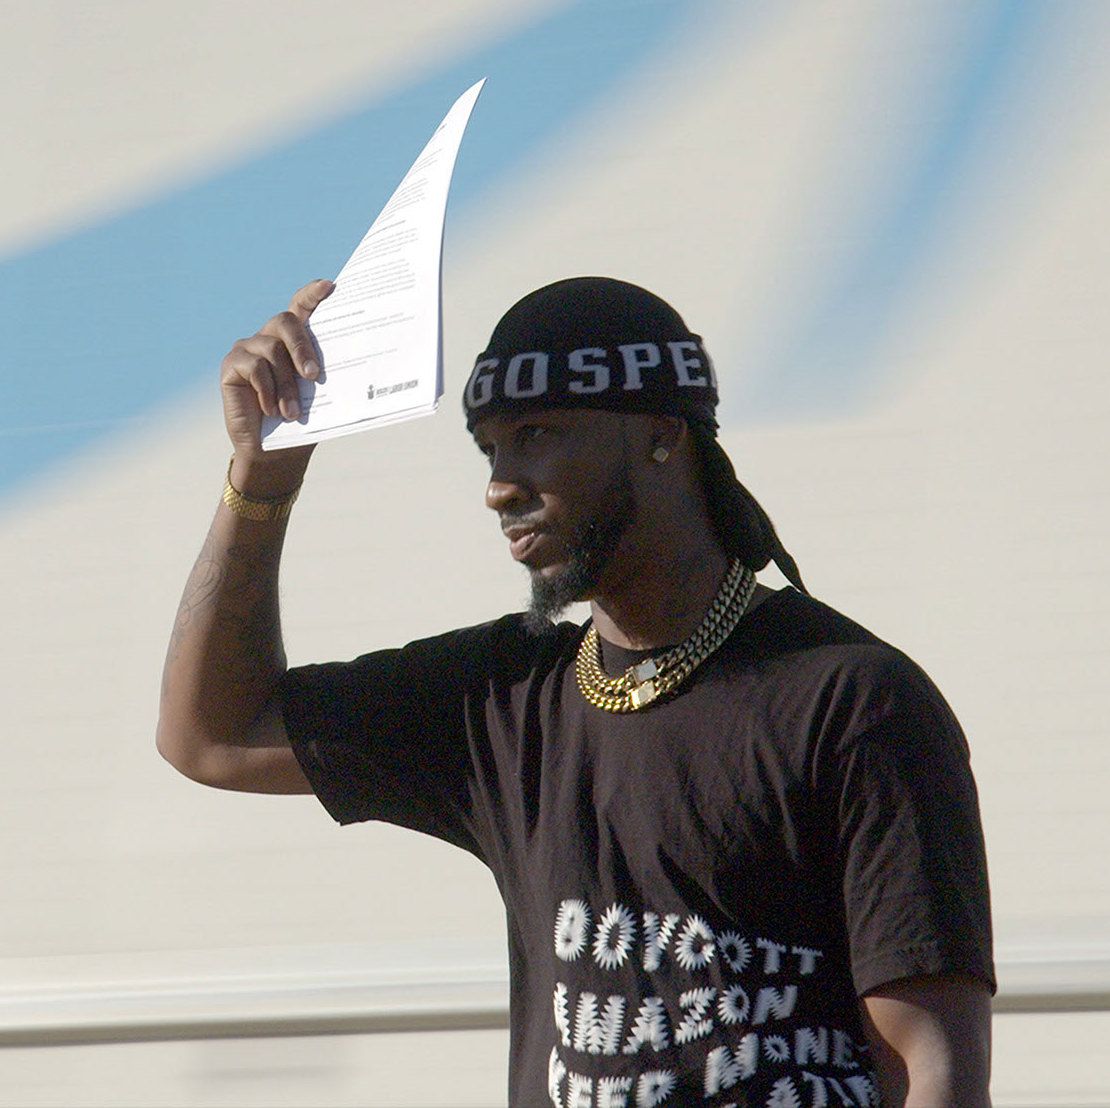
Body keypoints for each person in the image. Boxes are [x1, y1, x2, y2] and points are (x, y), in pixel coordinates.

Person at [159, 276, 994, 1108]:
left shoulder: (853, 700)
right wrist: (262, 476)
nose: (499, 485)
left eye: (535, 435)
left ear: (662, 434)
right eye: (490, 449)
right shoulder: (502, 697)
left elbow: (933, 1069)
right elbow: (213, 736)